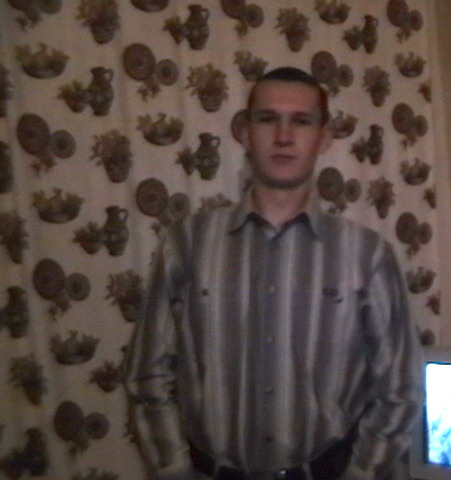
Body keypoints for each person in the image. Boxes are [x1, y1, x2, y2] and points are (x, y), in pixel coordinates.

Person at [124, 67, 421, 480]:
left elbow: (400, 388)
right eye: (267, 119)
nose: (283, 136)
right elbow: (148, 374)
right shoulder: (187, 243)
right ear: (245, 132)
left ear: (324, 137)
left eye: (301, 121)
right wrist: (172, 469)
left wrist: (363, 473)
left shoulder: (367, 255)